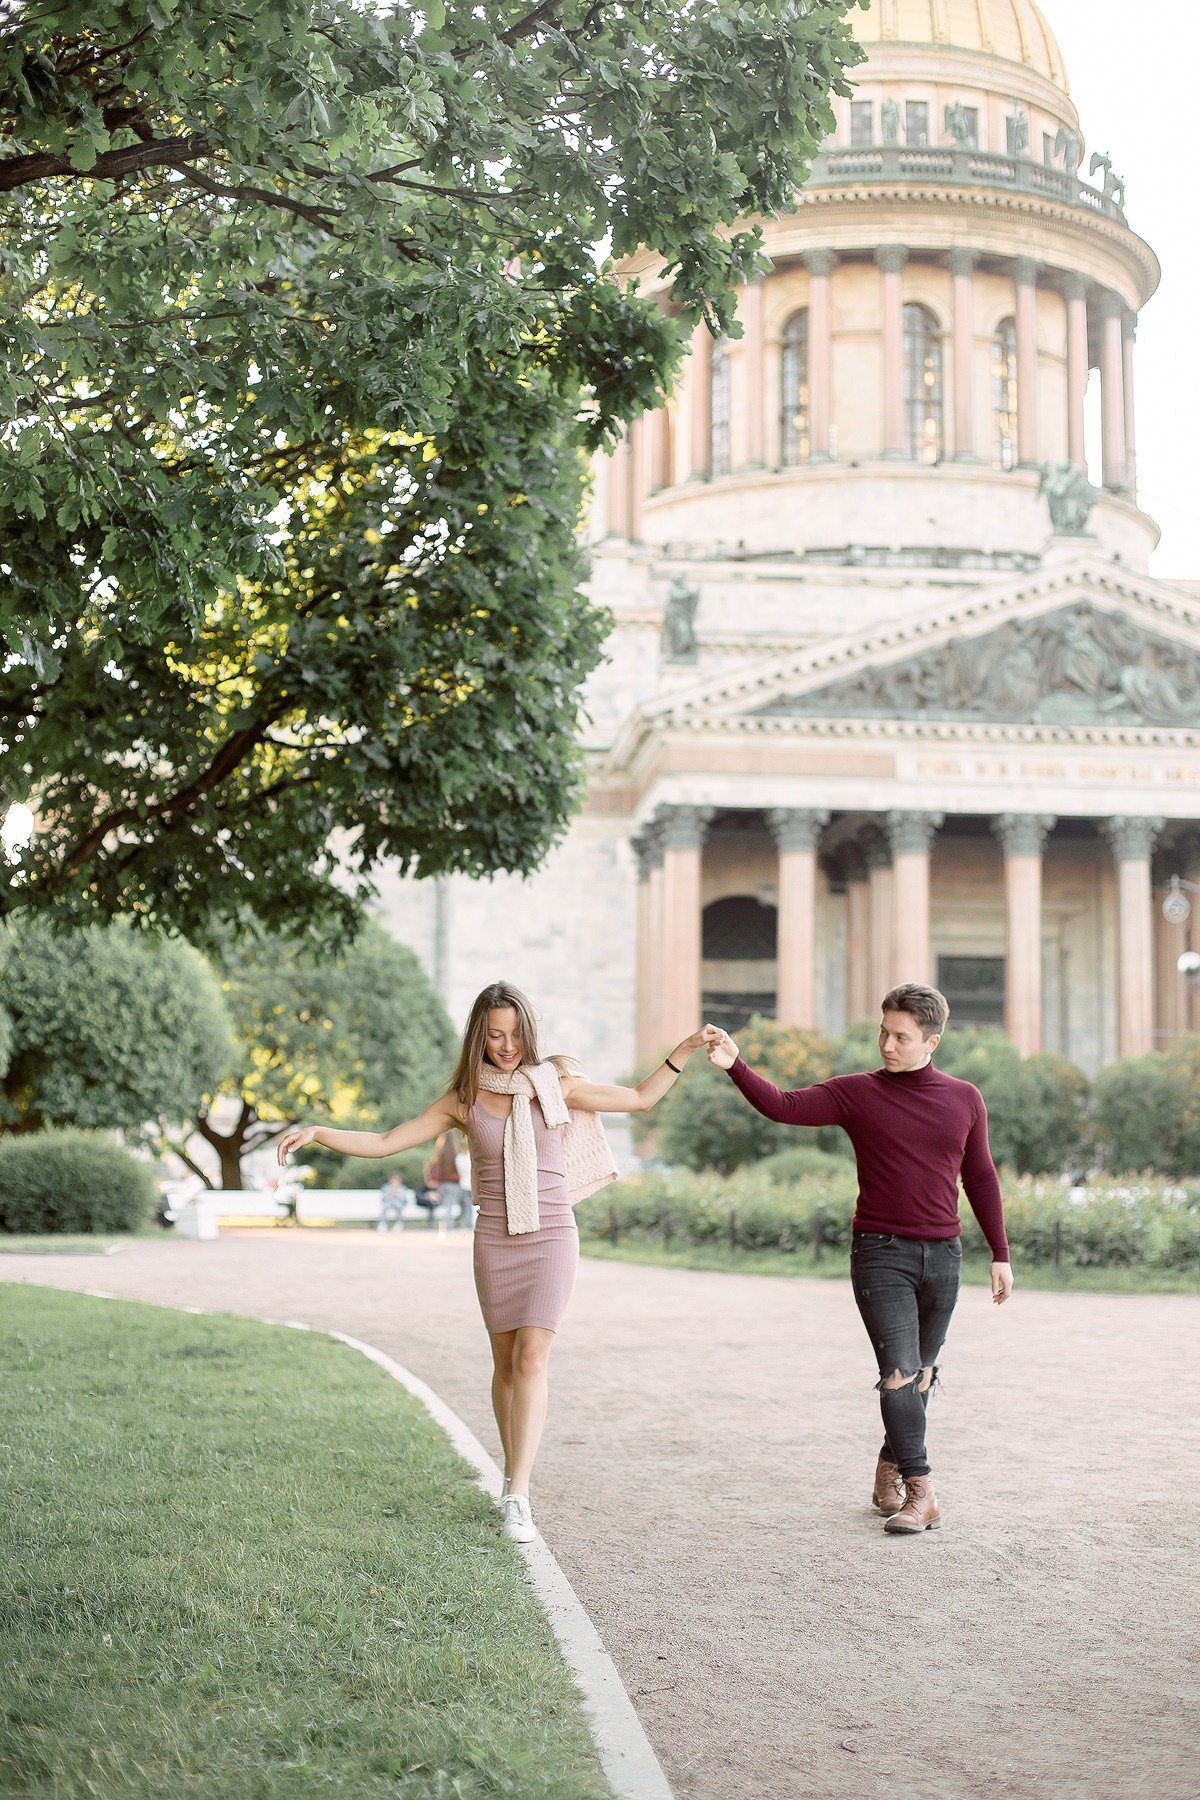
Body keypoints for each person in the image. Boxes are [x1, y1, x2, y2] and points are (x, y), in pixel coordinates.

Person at [279, 980, 712, 1543]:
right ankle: (513, 1471)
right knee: (506, 1365)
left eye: (514, 1035)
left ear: (529, 1032)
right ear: (478, 1040)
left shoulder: (557, 1083)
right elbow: (387, 1141)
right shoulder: (465, 1099)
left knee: (533, 1358)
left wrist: (680, 1051)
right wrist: (318, 1132)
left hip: (553, 1231)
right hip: (496, 1235)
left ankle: (519, 1495)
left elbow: (637, 1098)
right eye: (494, 1037)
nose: (507, 1047)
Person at [707, 982, 1013, 1534]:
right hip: (880, 1254)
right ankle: (923, 1493)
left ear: (932, 1041)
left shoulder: (965, 1098)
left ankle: (887, 1467)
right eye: (883, 1032)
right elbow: (785, 1106)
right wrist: (735, 1064)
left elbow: (981, 1176)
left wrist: (1000, 1252)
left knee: (920, 1377)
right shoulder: (858, 1093)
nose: (887, 1045)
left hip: (944, 1256)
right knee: (897, 1373)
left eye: (901, 1037)